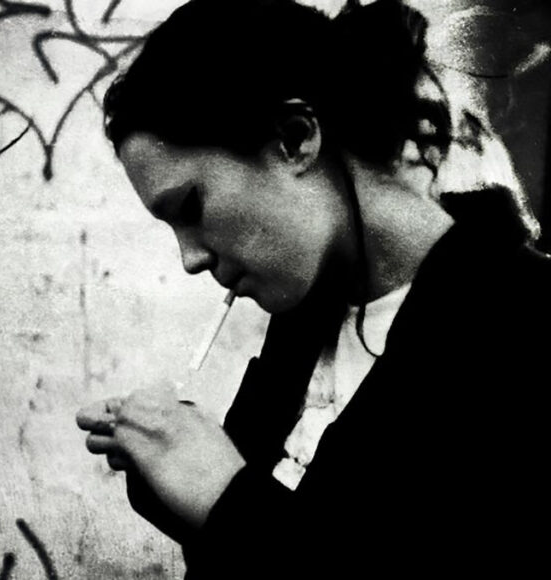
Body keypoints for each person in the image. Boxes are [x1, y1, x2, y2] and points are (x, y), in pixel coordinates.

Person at [76, 0, 549, 575]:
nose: (191, 259)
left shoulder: (521, 324)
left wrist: (221, 495)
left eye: (192, 207)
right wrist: (170, 473)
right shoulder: (307, 317)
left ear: (295, 138)